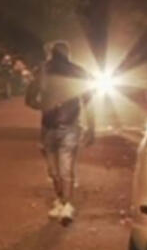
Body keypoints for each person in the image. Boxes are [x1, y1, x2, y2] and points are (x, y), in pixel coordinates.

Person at [25, 41, 95, 224]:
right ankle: (65, 203)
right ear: (68, 54)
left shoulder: (44, 71)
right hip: (69, 125)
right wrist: (91, 128)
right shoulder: (77, 72)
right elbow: (88, 102)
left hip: (50, 126)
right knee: (64, 169)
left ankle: (64, 203)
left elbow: (30, 99)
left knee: (56, 170)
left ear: (52, 54)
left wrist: (43, 106)